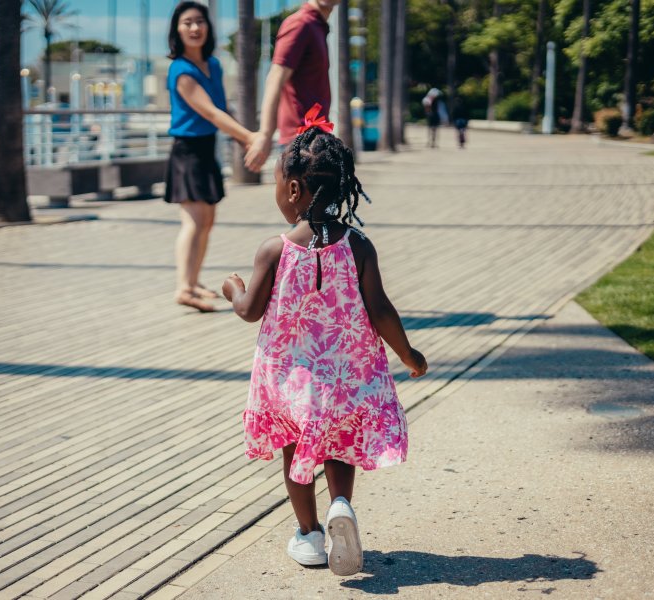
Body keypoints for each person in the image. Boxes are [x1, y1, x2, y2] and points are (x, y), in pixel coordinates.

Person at [222, 123, 428, 575]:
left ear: (293, 188)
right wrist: (409, 355)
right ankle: (341, 506)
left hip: (290, 383)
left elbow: (249, 310)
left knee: (295, 450)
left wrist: (231, 287)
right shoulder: (358, 246)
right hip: (345, 380)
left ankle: (310, 535)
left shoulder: (273, 250)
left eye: (277, 184)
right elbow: (380, 310)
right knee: (337, 446)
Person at [165, 1, 255, 312]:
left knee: (207, 221)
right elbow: (211, 112)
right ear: (177, 30)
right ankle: (183, 287)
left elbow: (223, 109)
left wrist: (243, 140)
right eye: (187, 22)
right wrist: (248, 137)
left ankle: (193, 281)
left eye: (199, 21)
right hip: (186, 151)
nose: (194, 28)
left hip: (206, 149)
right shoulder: (180, 69)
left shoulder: (213, 65)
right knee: (193, 221)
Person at [244, 0, 340, 172]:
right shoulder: (300, 24)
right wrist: (265, 134)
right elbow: (275, 78)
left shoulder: (317, 26)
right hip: (300, 143)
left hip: (316, 138)